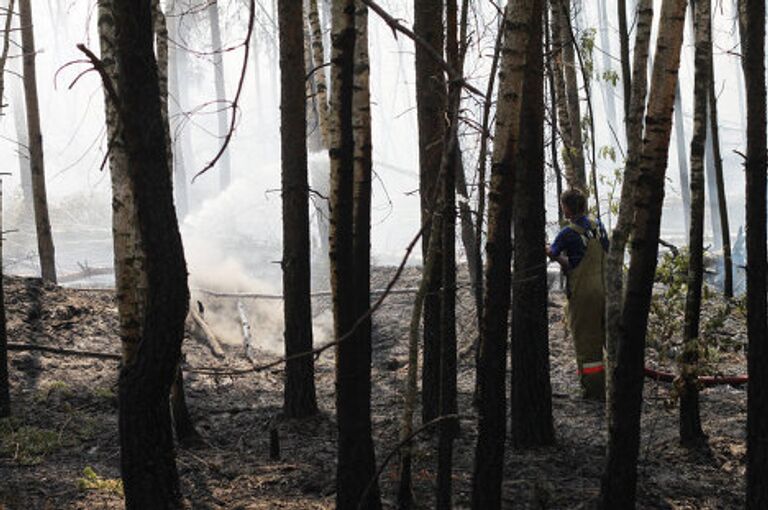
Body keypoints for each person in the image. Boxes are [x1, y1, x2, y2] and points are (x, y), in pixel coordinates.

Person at [546, 189, 608, 401]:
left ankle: (594, 393)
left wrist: (549, 251)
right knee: (611, 339)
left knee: (588, 345)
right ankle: (619, 387)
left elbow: (554, 254)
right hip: (606, 289)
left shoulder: (567, 233)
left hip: (585, 295)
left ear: (568, 208)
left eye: (563, 206)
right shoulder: (598, 226)